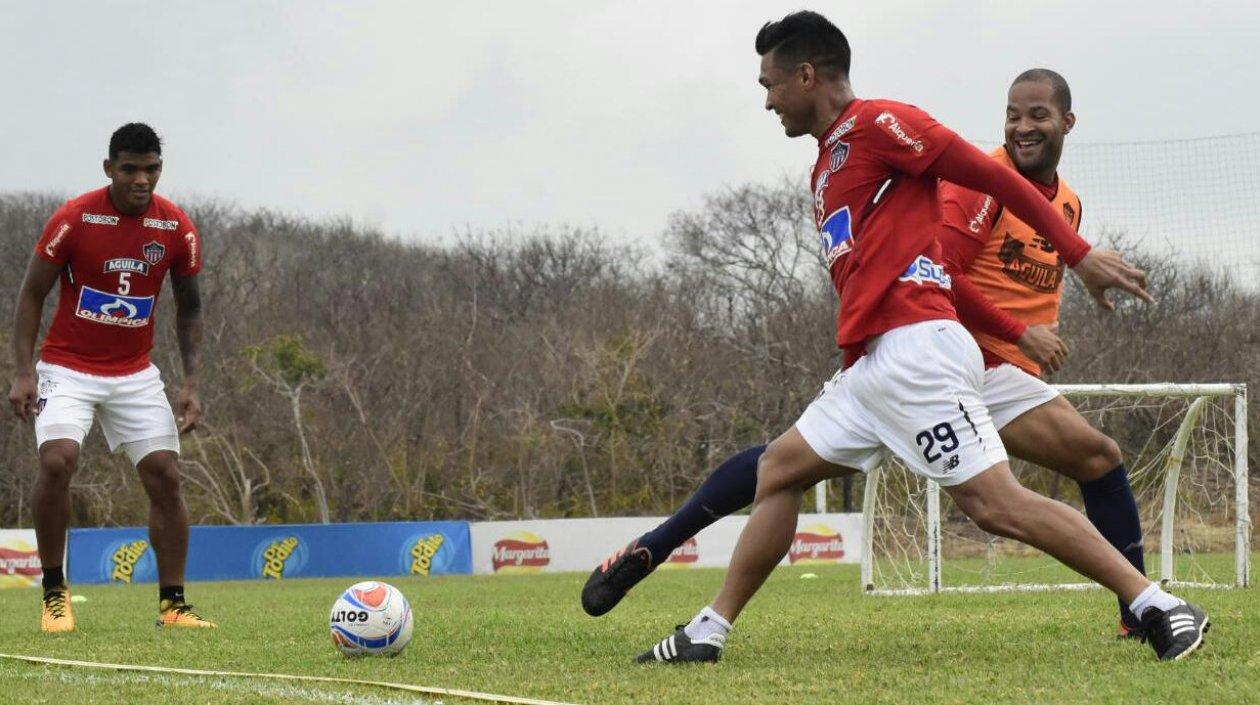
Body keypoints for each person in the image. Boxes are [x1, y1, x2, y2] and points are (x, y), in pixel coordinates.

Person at [628, 11, 1207, 663]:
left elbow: (994, 177)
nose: (766, 100)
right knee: (778, 470)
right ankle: (709, 630)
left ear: (807, 74)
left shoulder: (880, 123)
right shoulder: (826, 163)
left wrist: (1076, 253)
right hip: (872, 365)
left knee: (997, 504)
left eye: (770, 84)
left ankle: (1157, 603)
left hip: (918, 352)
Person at [8, 123, 216, 632]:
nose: (141, 179)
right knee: (58, 461)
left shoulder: (177, 229)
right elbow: (31, 294)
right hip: (67, 367)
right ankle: (55, 594)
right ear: (110, 169)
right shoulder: (75, 218)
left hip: (134, 373)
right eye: (130, 168)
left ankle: (173, 605)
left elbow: (189, 309)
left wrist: (191, 383)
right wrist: (21, 371)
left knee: (165, 474)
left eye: (151, 168)